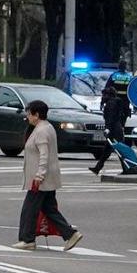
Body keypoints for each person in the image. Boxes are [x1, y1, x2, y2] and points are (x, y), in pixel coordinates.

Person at [13, 100, 83, 251]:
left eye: (29, 113)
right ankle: (70, 234)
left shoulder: (41, 131)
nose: (27, 116)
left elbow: (44, 155)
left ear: (36, 114)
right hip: (47, 178)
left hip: (40, 179)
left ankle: (27, 240)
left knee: (29, 209)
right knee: (49, 209)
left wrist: (39, 176)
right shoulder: (47, 127)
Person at [89, 82, 127, 175]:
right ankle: (97, 168)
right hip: (116, 129)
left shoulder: (110, 104)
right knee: (107, 150)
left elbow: (110, 117)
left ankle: (127, 168)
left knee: (119, 150)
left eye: (104, 95)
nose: (103, 97)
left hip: (114, 130)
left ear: (108, 95)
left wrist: (108, 129)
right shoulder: (116, 102)